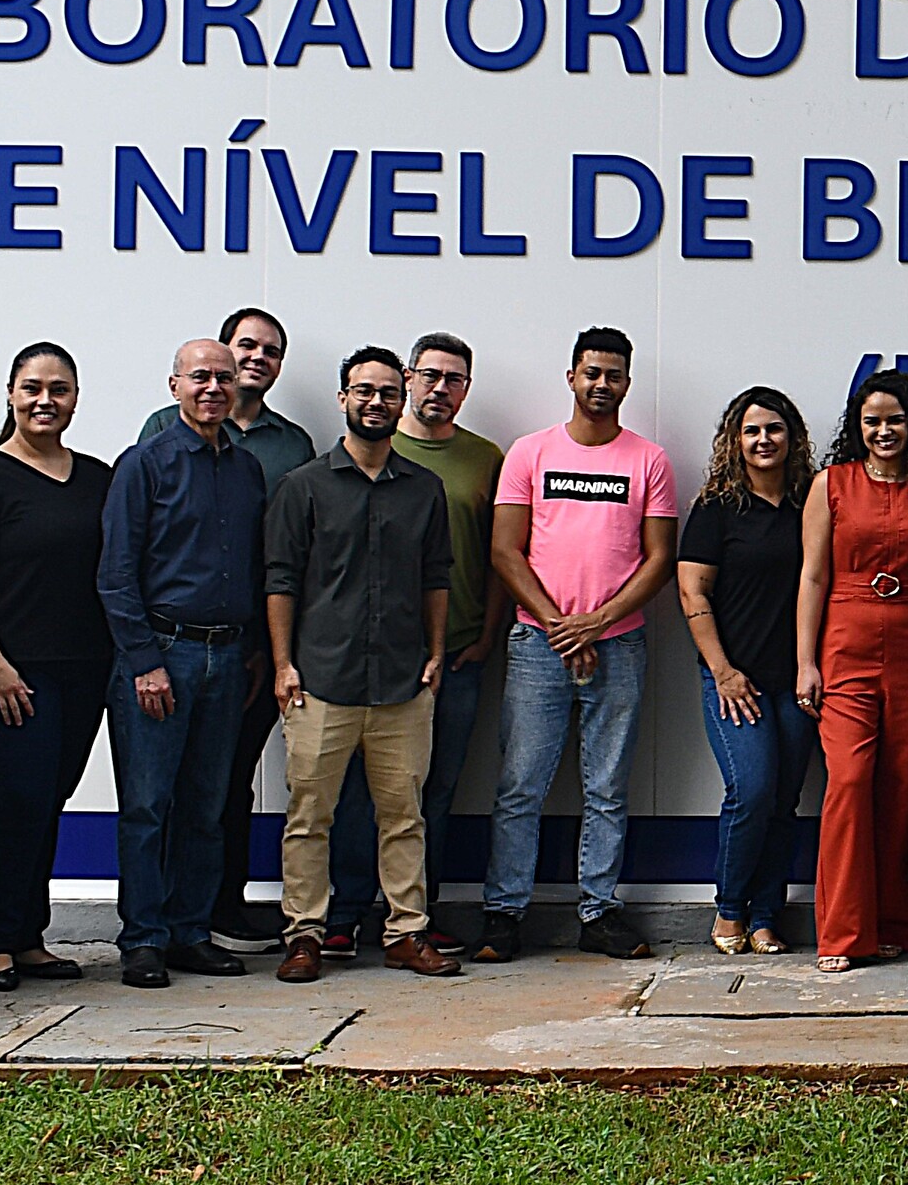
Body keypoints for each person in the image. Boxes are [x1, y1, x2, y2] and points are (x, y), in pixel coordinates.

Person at [485, 328, 678, 963]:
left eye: (613, 375)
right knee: (521, 785)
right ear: (571, 377)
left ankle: (598, 912)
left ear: (627, 383)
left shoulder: (648, 460)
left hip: (618, 644)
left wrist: (596, 623)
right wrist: (560, 627)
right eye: (592, 372)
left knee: (608, 788)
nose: (602, 384)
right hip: (537, 644)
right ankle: (504, 913)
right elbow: (504, 551)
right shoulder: (530, 452)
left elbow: (659, 559)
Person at [265, 347, 457, 982]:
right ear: (343, 398)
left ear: (403, 401)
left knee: (404, 818)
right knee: (309, 818)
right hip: (320, 681)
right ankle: (304, 936)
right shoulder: (304, 487)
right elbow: (280, 580)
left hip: (403, 683)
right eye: (363, 391)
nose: (376, 402)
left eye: (388, 392)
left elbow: (436, 576)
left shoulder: (424, 489)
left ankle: (406, 932)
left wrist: (435, 653)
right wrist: (284, 664)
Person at [0, 344, 113, 994]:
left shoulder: (97, 480)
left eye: (59, 389)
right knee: (20, 798)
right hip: (5, 675)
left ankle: (29, 938)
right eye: (32, 387)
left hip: (82, 671)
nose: (45, 400)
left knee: (50, 800)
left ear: (76, 398)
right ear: (10, 393)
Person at [135, 305, 313, 950]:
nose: (256, 358)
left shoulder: (285, 448)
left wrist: (269, 649)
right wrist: (143, 652)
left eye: (271, 350)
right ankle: (151, 930)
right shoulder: (158, 438)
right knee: (158, 795)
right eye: (246, 346)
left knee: (223, 787)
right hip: (170, 643)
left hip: (246, 645)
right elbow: (132, 552)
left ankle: (214, 913)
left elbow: (283, 552)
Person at [332, 335, 506, 955]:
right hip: (375, 658)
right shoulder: (376, 446)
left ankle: (414, 915)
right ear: (408, 380)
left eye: (454, 379)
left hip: (456, 655)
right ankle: (346, 912)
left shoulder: (485, 458)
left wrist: (486, 635)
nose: (440, 388)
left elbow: (499, 554)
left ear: (467, 389)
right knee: (359, 791)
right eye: (429, 375)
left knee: (435, 790)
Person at [103, 340, 266, 990]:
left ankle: (191, 932)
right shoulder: (145, 463)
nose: (213, 388)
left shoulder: (247, 469)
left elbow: (253, 565)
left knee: (207, 805)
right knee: (148, 806)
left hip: (228, 656)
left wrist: (254, 649)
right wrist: (144, 661)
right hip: (161, 655)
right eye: (200, 376)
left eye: (224, 378)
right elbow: (116, 574)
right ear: (174, 386)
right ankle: (144, 939)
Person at [797, 374, 908, 970]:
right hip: (846, 642)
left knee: (902, 787)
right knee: (848, 782)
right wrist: (805, 662)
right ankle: (842, 934)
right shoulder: (831, 484)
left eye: (895, 420)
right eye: (872, 421)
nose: (884, 431)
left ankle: (895, 923)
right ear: (857, 427)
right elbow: (813, 576)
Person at [678, 387, 813, 956]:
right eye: (752, 430)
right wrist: (723, 672)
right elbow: (693, 591)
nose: (764, 440)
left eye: (774, 429)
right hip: (734, 679)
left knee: (783, 801)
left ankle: (765, 916)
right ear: (735, 440)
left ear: (792, 437)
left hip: (796, 679)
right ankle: (730, 908)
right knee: (751, 791)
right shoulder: (717, 507)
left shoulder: (811, 501)